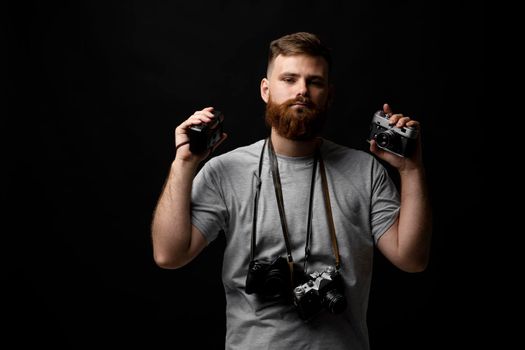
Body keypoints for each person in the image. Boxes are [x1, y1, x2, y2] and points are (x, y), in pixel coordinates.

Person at [151, 32, 431, 350]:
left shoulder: (364, 170)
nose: (302, 91)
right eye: (289, 79)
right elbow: (168, 254)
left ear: (329, 95)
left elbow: (412, 259)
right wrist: (183, 164)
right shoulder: (225, 171)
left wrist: (411, 170)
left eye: (315, 82)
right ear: (266, 90)